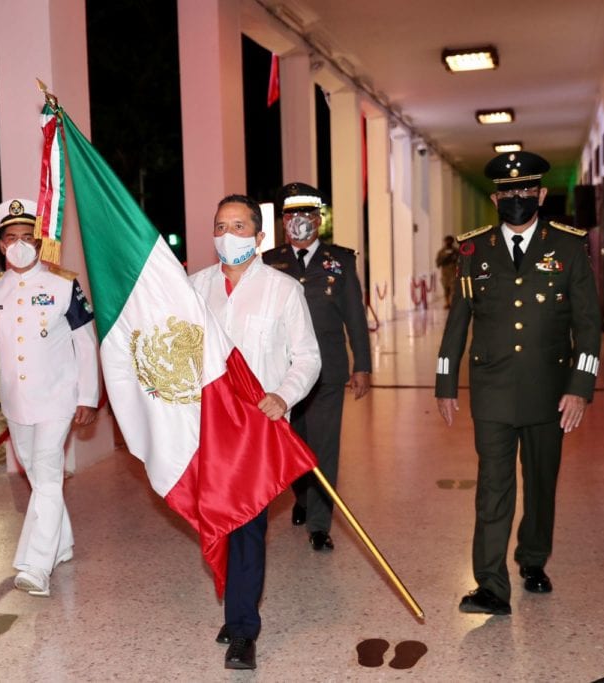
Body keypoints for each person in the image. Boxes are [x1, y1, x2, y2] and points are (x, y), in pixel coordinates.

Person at [435, 151, 602, 616]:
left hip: (550, 390)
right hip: (491, 388)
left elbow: (588, 325)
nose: (516, 198)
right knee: (493, 485)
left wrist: (580, 386)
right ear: (495, 198)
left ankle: (532, 558)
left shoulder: (569, 247)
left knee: (542, 482)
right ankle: (490, 584)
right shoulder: (473, 250)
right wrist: (445, 381)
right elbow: (459, 319)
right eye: (507, 192)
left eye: (525, 190)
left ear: (541, 195)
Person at [190, 194, 321, 670]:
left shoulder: (283, 289)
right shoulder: (194, 288)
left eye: (240, 226)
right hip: (205, 430)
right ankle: (235, 606)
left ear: (260, 237)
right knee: (216, 522)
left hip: (254, 432)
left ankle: (244, 629)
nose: (228, 235)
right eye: (221, 226)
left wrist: (284, 395)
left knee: (247, 524)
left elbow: (307, 357)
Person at [0, 198, 100, 598]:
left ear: (38, 244)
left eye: (27, 237)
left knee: (48, 474)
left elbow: (85, 344)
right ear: (2, 245)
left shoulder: (62, 284)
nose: (19, 244)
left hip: (57, 398)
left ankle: (36, 566)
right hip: (15, 402)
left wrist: (88, 396)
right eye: (11, 238)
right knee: (39, 478)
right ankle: (63, 542)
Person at [263, 182, 371, 552]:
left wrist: (363, 365)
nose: (298, 222)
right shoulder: (268, 262)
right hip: (282, 373)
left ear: (319, 219)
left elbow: (355, 316)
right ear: (282, 222)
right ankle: (304, 497)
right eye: (290, 215)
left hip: (327, 368)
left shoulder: (340, 260)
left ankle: (320, 523)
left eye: (306, 214)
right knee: (293, 443)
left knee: (324, 446)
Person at [435, 235, 458, 308]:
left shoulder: (456, 251)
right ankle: (447, 303)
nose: (448, 242)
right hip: (445, 274)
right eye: (447, 241)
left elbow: (460, 261)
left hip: (453, 273)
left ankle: (452, 303)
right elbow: (438, 263)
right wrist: (445, 259)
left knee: (453, 289)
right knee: (446, 289)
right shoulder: (441, 252)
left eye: (450, 241)